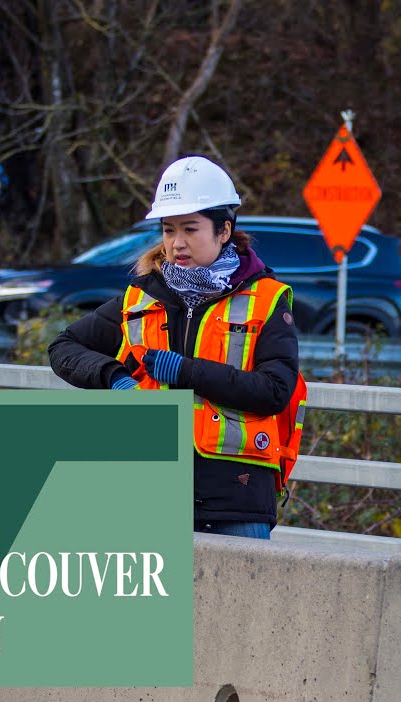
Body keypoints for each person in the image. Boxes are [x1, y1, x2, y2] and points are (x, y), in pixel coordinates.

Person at [49, 156, 301, 540]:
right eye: (168, 230)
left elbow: (275, 391)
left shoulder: (266, 299)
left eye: (190, 229)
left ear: (224, 231)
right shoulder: (139, 298)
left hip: (238, 498)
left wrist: (186, 371)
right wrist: (114, 377)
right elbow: (64, 348)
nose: (177, 243)